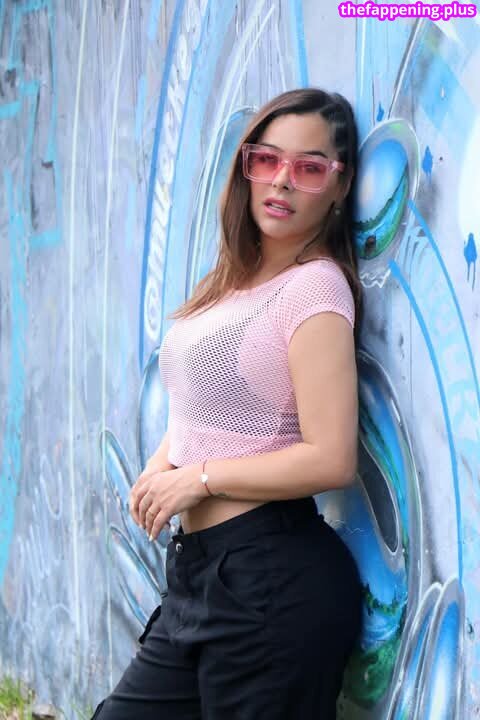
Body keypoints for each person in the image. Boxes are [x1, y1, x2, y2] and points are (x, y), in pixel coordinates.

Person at [91, 87, 363, 720]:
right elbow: (206, 404)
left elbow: (331, 458)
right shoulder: (230, 287)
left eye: (309, 167)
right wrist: (166, 463)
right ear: (247, 166)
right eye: (267, 159)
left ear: (340, 185)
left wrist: (199, 479)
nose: (282, 180)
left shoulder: (315, 290)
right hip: (201, 574)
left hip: (272, 579)